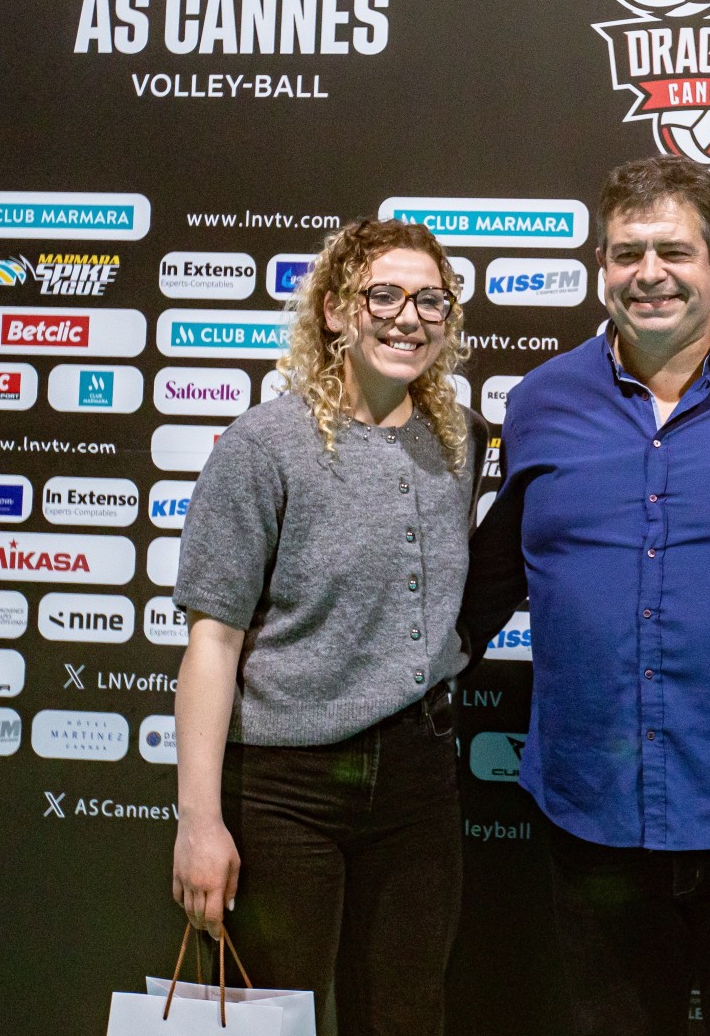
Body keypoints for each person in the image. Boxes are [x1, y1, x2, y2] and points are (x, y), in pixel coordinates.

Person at [459, 155, 710, 1036]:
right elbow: (488, 580)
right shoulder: (539, 404)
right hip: (592, 806)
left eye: (674, 251)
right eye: (627, 253)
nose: (650, 273)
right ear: (601, 266)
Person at [170, 217, 483, 1036]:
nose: (408, 318)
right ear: (337, 310)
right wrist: (199, 822)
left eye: (430, 301)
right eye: (384, 296)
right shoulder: (263, 446)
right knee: (275, 1016)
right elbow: (212, 644)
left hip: (418, 780)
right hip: (287, 788)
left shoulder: (457, 442)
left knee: (409, 1015)